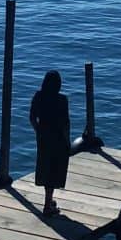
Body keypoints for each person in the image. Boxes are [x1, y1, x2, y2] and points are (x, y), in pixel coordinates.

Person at [29, 69, 70, 217]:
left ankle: (49, 200)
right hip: (58, 138)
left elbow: (32, 117)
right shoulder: (62, 100)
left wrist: (38, 131)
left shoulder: (38, 96)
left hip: (43, 138)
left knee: (45, 167)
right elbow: (65, 124)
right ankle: (47, 205)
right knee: (54, 171)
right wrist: (67, 142)